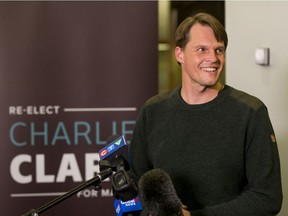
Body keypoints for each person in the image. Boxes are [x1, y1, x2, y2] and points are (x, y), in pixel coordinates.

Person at [128, 12, 282, 216]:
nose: (213, 58)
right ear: (179, 54)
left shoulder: (251, 112)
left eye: (219, 50)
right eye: (202, 49)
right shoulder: (153, 111)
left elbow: (267, 198)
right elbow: (136, 188)